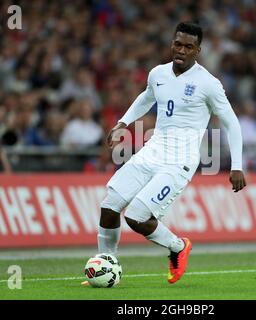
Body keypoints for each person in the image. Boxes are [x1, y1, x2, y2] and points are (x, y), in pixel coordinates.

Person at [93, 22, 246, 285]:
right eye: (178, 44)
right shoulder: (158, 74)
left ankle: (177, 246)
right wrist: (123, 122)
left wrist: (237, 165)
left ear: (198, 50)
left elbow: (232, 123)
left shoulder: (208, 84)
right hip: (152, 152)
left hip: (179, 162)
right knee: (109, 207)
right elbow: (146, 97)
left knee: (136, 218)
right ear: (172, 43)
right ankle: (106, 266)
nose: (181, 50)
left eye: (188, 46)